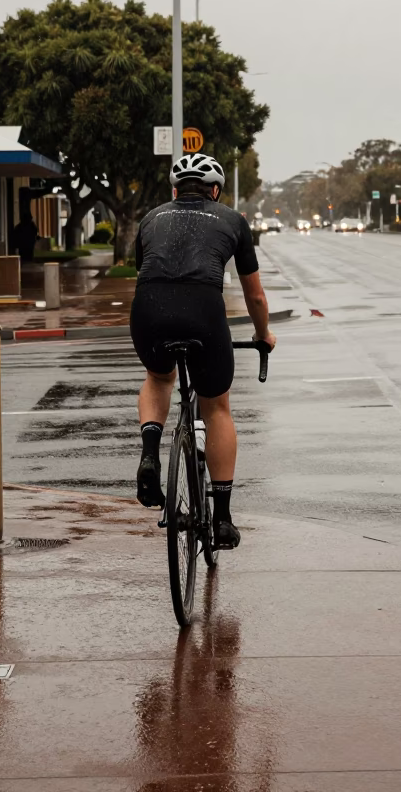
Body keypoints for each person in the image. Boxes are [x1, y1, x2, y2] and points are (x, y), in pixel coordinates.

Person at [130, 152, 276, 550]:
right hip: (203, 312)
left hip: (148, 310)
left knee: (159, 377)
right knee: (216, 407)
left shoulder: (150, 219)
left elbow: (145, 271)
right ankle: (224, 518)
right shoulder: (232, 220)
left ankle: (149, 455)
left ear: (175, 191)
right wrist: (264, 335)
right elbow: (256, 296)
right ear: (215, 191)